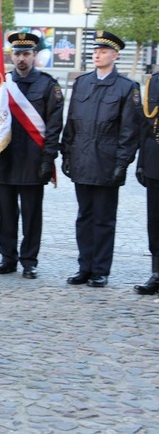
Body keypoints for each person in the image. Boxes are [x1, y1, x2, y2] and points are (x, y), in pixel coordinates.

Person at [61, 31, 140, 288]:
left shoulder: (127, 88)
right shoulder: (83, 83)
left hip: (106, 162)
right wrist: (67, 154)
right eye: (95, 51)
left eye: (103, 51)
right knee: (84, 217)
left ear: (115, 56)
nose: (97, 54)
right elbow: (71, 123)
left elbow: (129, 131)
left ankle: (100, 269)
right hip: (83, 159)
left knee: (104, 219)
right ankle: (84, 267)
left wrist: (121, 164)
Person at [0, 33, 64, 279]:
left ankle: (29, 260)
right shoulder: (1, 84)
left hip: (34, 161)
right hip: (6, 159)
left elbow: (55, 126)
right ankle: (8, 257)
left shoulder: (48, 85)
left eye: (26, 54)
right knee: (5, 214)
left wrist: (48, 158)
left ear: (34, 55)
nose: (21, 58)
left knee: (32, 215)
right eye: (17, 54)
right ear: (11, 55)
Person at [134, 71, 159, 294]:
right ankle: (156, 273)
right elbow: (145, 125)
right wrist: (141, 162)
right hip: (155, 161)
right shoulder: (155, 80)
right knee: (155, 221)